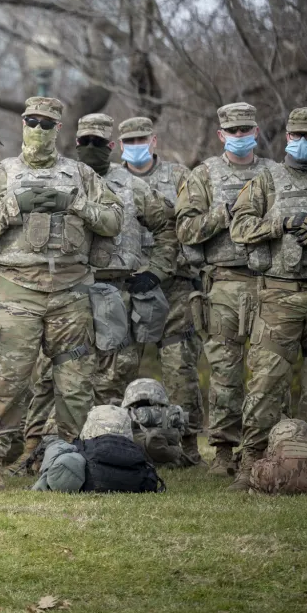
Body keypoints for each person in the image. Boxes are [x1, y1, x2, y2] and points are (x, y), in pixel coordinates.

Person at [0, 96, 122, 491]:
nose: (39, 130)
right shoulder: (1, 174)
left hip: (70, 292)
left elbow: (114, 220)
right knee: (7, 379)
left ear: (58, 129)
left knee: (76, 383)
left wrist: (77, 203)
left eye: (47, 123)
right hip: (15, 293)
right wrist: (12, 205)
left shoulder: (80, 174)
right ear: (21, 125)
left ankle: (71, 459)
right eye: (32, 121)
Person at [227, 107, 307, 490]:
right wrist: (282, 223)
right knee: (266, 383)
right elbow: (238, 227)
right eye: (295, 135)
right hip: (277, 296)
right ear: (286, 136)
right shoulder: (266, 181)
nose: (302, 142)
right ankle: (251, 461)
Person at [175, 102, 278, 475]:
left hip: (271, 283)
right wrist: (226, 213)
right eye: (232, 131)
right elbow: (185, 231)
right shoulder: (203, 175)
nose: (239, 136)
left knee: (268, 371)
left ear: (256, 131)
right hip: (224, 283)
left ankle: (263, 447)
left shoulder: (274, 173)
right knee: (225, 371)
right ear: (221, 135)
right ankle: (222, 451)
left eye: (245, 130)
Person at [116, 115, 204, 464]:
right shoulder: (111, 178)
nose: (136, 146)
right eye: (129, 141)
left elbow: (188, 226)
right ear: (120, 145)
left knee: (181, 368)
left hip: (174, 285)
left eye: (142, 140)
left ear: (154, 141)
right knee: (119, 367)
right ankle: (118, 440)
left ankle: (188, 446)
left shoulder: (180, 176)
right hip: (126, 284)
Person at [75, 113, 177, 405]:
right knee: (65, 375)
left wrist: (156, 271)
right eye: (85, 141)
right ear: (76, 142)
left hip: (120, 294)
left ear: (111, 145)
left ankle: (111, 440)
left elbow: (167, 227)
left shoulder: (133, 185)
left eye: (98, 142)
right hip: (70, 293)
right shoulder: (65, 179)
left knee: (117, 376)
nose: (91, 147)